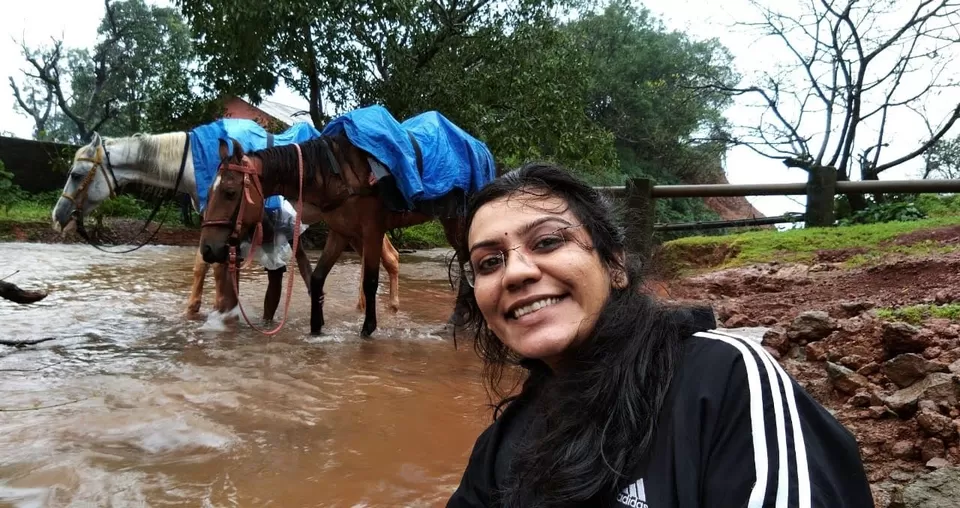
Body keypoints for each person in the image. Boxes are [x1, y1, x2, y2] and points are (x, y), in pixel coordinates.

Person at [446, 162, 874, 508]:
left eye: (547, 242)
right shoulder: (503, 444)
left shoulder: (725, 378)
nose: (516, 273)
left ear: (615, 266)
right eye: (488, 263)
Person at [238, 195, 312, 321]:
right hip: (243, 227)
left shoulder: (286, 217)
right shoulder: (238, 217)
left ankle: (267, 320)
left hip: (275, 226)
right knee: (231, 261)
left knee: (276, 271)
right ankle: (229, 313)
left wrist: (313, 289)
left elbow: (300, 255)